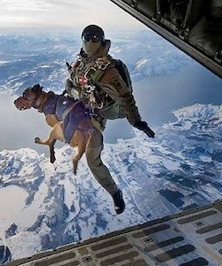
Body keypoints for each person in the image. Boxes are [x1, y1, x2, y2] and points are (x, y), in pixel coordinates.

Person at [64, 24, 155, 215]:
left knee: (91, 159)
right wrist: (70, 87)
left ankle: (115, 193)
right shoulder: (81, 62)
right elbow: (77, 84)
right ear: (82, 39)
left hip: (94, 117)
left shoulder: (106, 70)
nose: (91, 41)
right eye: (87, 37)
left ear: (102, 42)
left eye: (95, 38)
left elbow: (125, 97)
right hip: (80, 109)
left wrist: (136, 121)